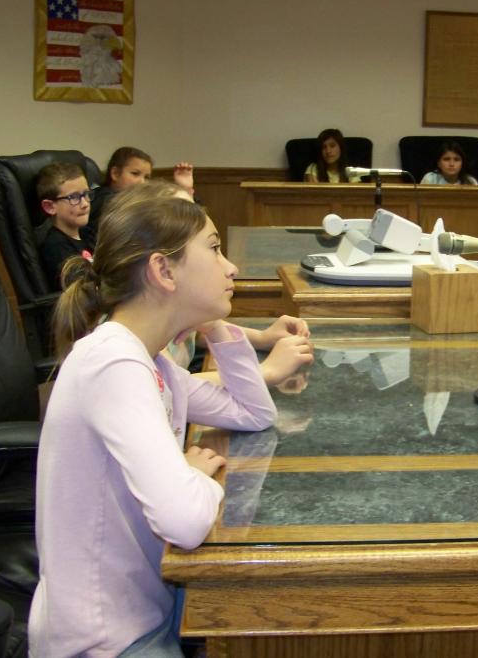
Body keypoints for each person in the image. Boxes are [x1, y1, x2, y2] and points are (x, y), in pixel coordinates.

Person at [30, 191, 295, 656]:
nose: (230, 268)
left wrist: (217, 326)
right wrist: (192, 475)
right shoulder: (114, 363)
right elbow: (185, 520)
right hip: (105, 639)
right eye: (214, 250)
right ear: (163, 271)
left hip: (148, 604)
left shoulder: (150, 360)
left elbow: (253, 414)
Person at [106, 180, 314, 388]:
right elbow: (171, 388)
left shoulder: (165, 309)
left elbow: (197, 332)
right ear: (163, 268)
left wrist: (261, 337)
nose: (232, 268)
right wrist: (266, 372)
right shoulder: (136, 336)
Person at [85, 146, 195, 241]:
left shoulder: (138, 201)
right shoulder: (107, 201)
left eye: (147, 177)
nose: (142, 182)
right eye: (135, 174)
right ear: (115, 174)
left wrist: (185, 189)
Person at [35, 161, 94, 287]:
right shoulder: (55, 246)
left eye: (86, 194)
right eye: (74, 197)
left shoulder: (88, 233)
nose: (85, 203)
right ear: (50, 207)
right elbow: (81, 288)